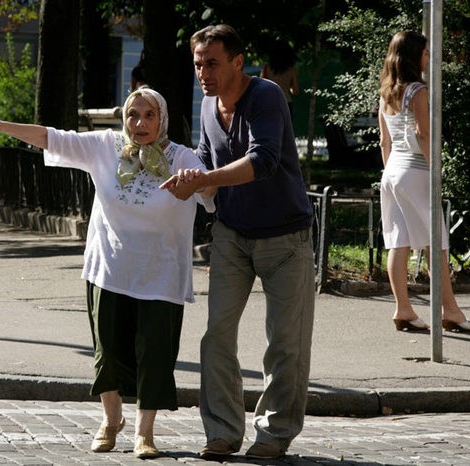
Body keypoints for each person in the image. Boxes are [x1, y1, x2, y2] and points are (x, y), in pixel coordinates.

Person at [0, 88, 215, 459]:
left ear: (162, 118)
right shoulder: (105, 146)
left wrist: (201, 179)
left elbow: (212, 195)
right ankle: (110, 418)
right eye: (133, 114)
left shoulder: (183, 158)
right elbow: (52, 138)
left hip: (161, 274)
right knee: (108, 351)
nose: (140, 123)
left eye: (149, 115)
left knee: (155, 353)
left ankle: (144, 432)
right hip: (110, 268)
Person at [160, 24, 315, 460]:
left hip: (286, 236)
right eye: (197, 64)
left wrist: (205, 177)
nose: (203, 73)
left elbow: (263, 160)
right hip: (231, 235)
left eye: (211, 63)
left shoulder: (266, 96)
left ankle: (273, 435)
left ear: (236, 62)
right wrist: (192, 173)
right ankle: (222, 432)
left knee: (285, 341)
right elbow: (209, 159)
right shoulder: (209, 105)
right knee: (216, 337)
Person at [378, 31, 470, 333]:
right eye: (424, 52)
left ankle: (404, 310)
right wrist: (435, 170)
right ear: (412, 56)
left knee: (399, 241)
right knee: (438, 244)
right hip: (416, 170)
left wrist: (392, 173)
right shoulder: (418, 90)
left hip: (392, 172)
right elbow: (423, 134)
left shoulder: (385, 93)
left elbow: (385, 142)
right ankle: (452, 311)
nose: (428, 57)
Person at [260, 39, 300, 118]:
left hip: (270, 104)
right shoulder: (291, 69)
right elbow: (295, 91)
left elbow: (260, 88)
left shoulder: (266, 68)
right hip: (286, 103)